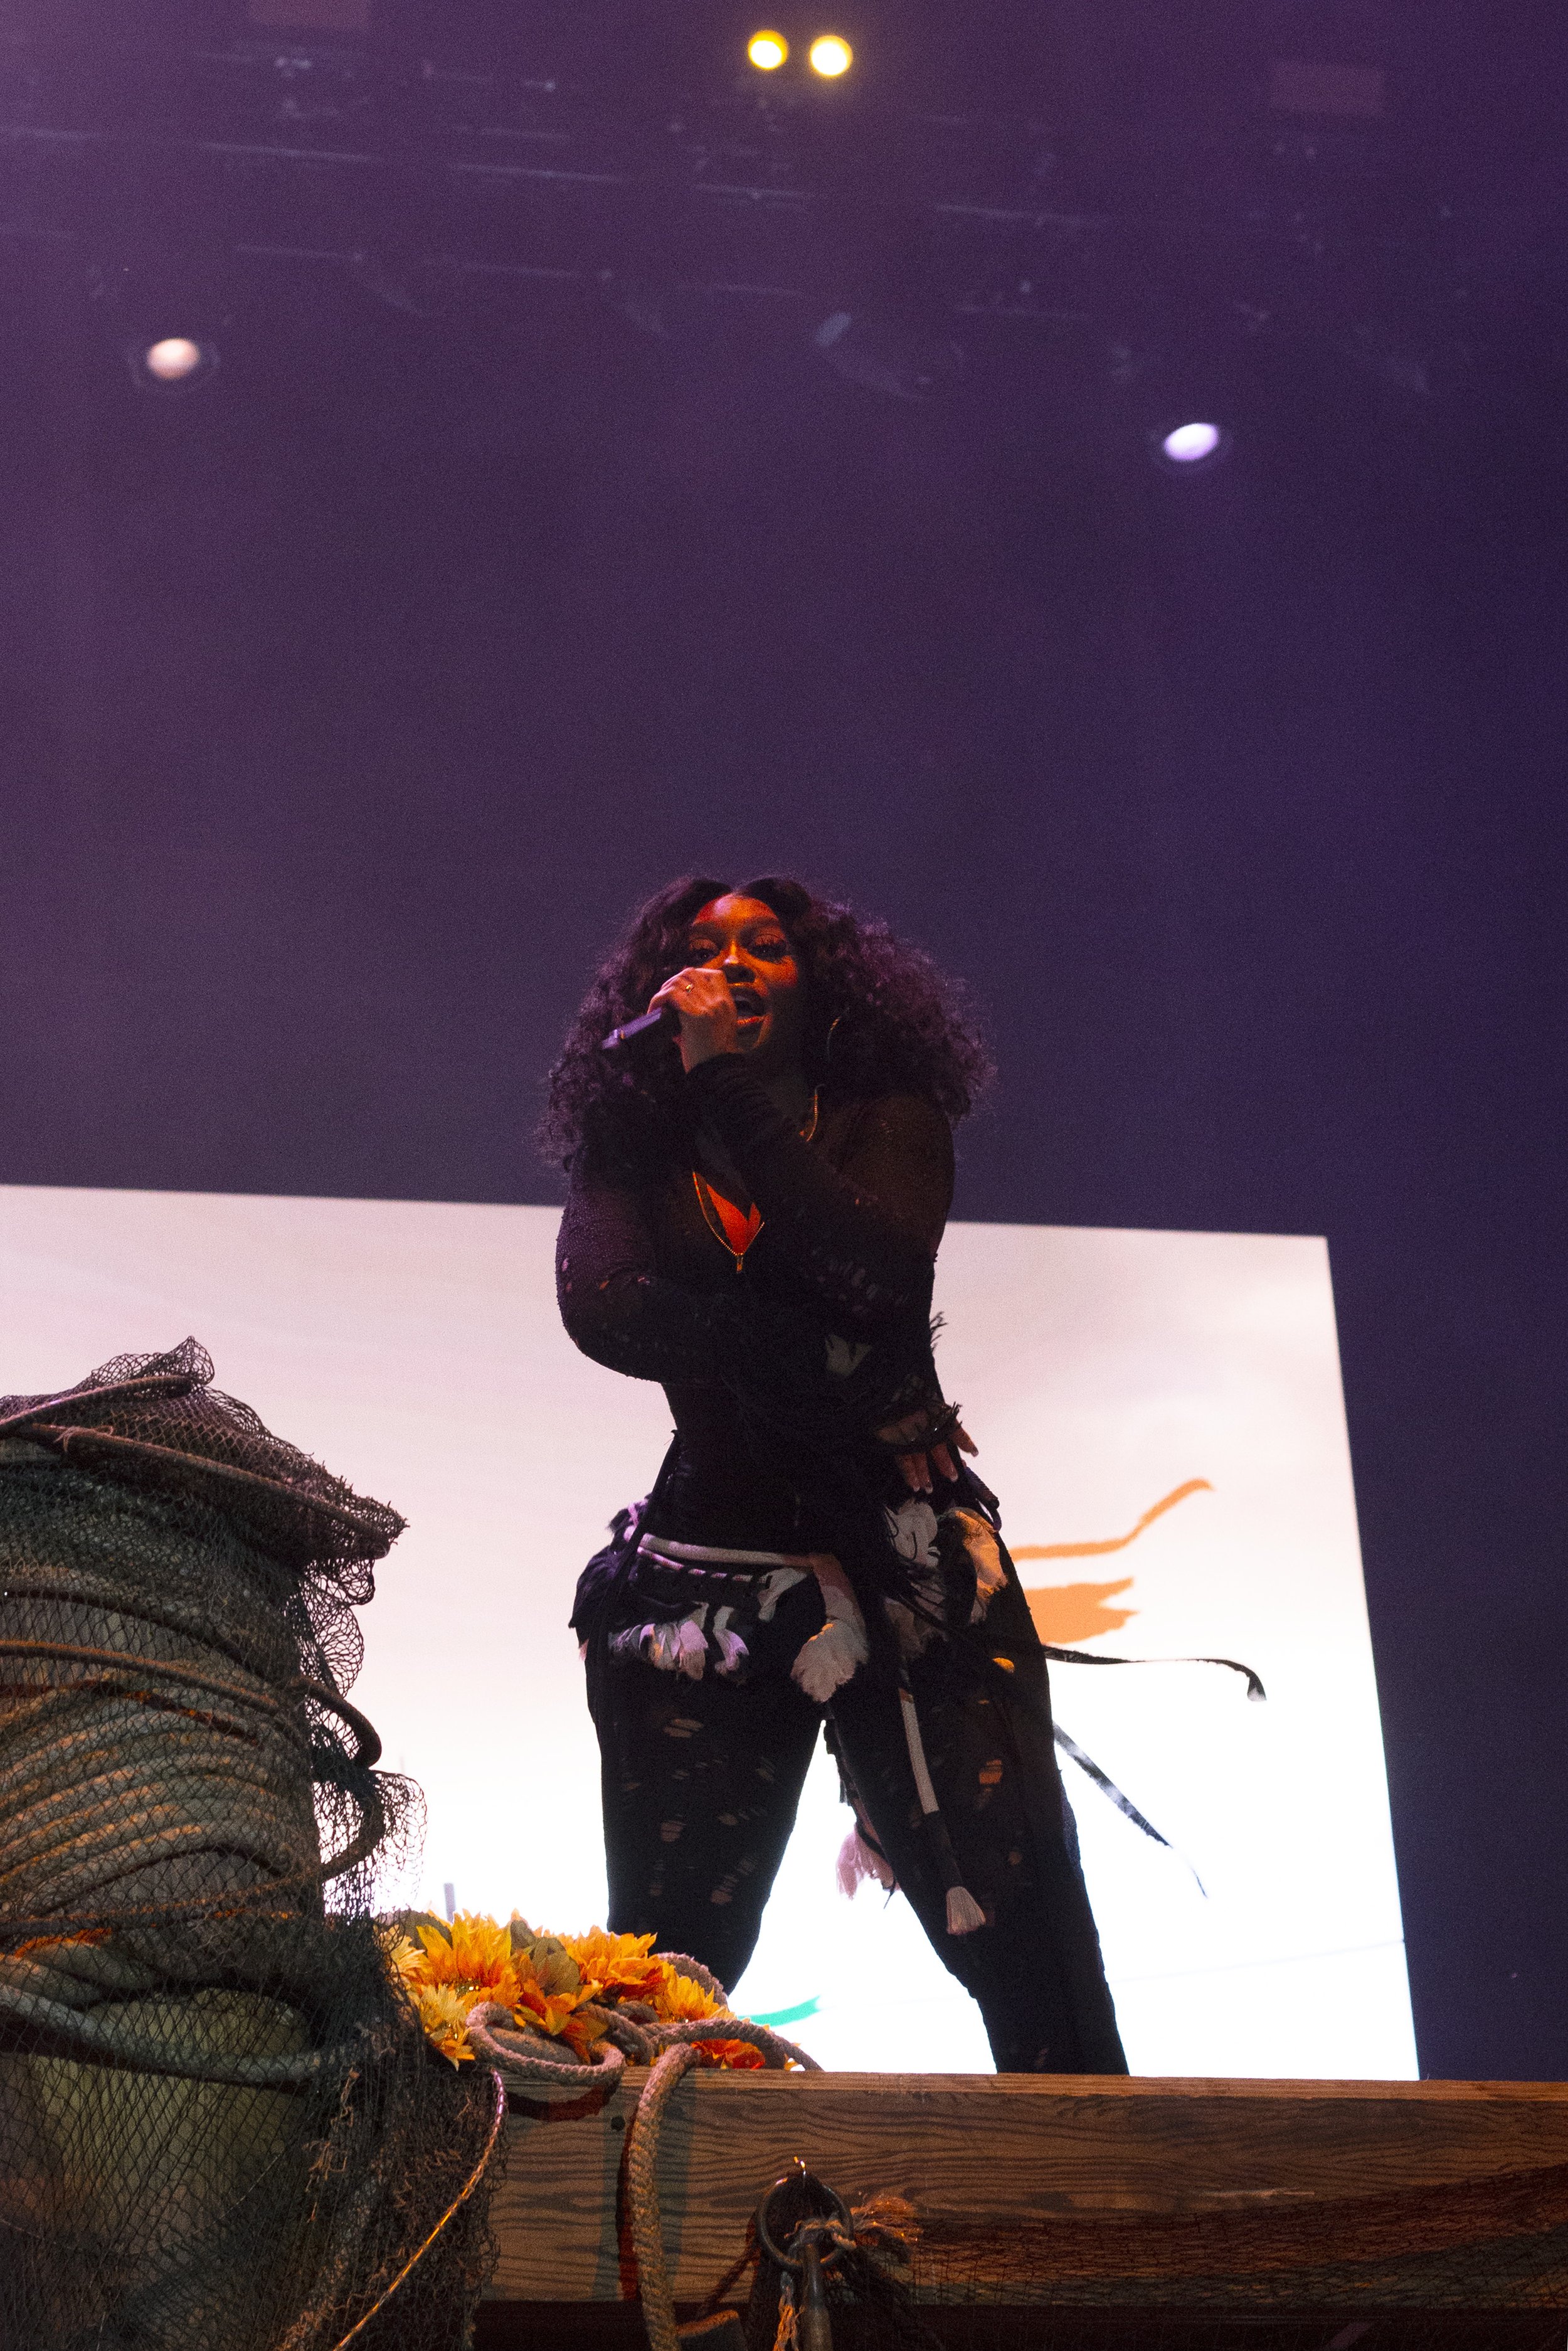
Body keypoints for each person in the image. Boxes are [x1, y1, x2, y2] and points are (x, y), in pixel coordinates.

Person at [545, 875, 1126, 2074]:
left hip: (910, 1552)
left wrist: (728, 1089)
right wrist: (808, 1352)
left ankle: (1099, 2219)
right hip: (707, 1568)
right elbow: (605, 1311)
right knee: (670, 1955)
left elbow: (875, 1275)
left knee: (1022, 1930)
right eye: (705, 949)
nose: (737, 964)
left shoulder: (890, 1114)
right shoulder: (630, 1147)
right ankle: (631, 2231)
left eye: (768, 947)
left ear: (821, 984)